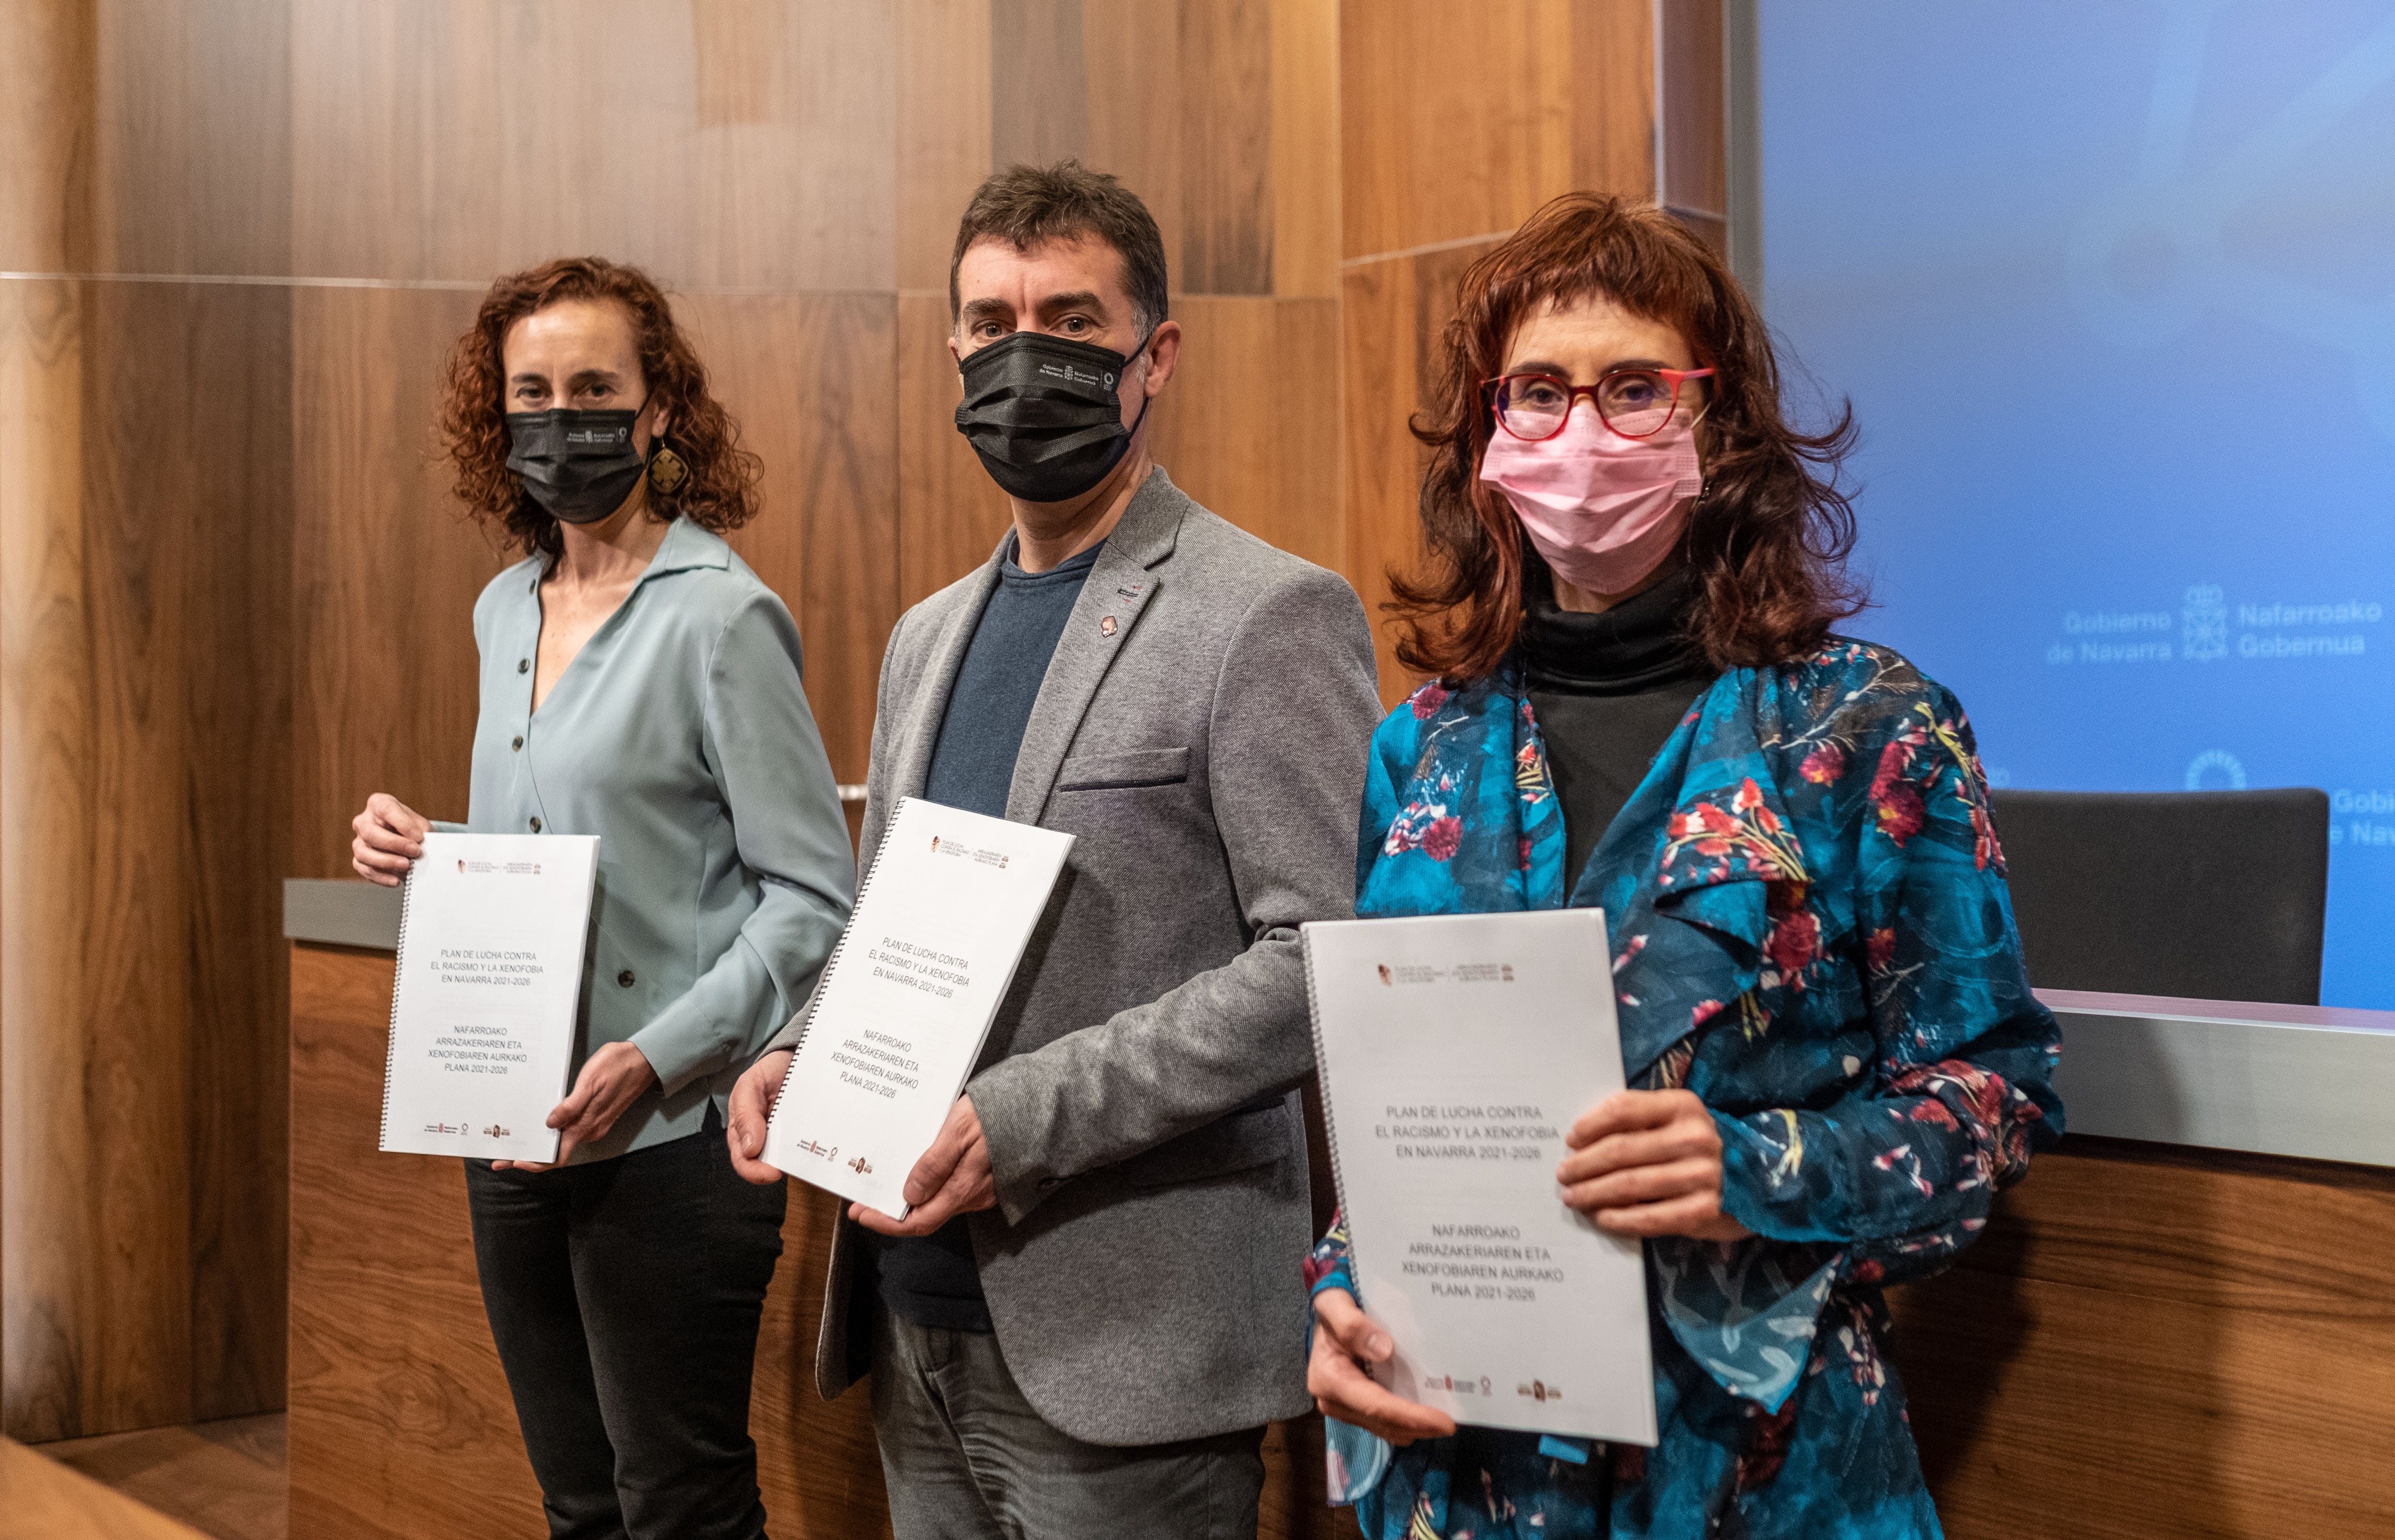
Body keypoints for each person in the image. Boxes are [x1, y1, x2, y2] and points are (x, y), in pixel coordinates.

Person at [1301, 193, 2064, 1539]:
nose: (1581, 429)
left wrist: (1764, 1165)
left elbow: (1995, 1096)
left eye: (1634, 387)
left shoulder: (1870, 731)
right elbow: (1392, 1116)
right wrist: (1341, 1292)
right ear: (1489, 432)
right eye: (1538, 390)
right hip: (1465, 1473)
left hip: (1760, 1477)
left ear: (1716, 424)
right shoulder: (1417, 750)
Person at [725, 161, 1383, 1539]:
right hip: (914, 1323)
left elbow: (1323, 960)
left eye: (1074, 323)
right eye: (993, 319)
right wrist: (799, 1050)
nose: (1027, 354)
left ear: (1157, 356)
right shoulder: (925, 635)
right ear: (954, 349)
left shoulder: (1266, 613)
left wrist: (1025, 1117)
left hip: (1134, 1355)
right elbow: (884, 922)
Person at [348, 257, 855, 1540]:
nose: (560, 417)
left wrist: (661, 1053)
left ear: (657, 411)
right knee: (577, 1504)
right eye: (532, 393)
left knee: (677, 1505)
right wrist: (432, 846)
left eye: (592, 388)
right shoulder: (501, 610)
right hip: (516, 1129)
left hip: (672, 1139)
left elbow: (811, 899)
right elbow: (574, 846)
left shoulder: (723, 618)